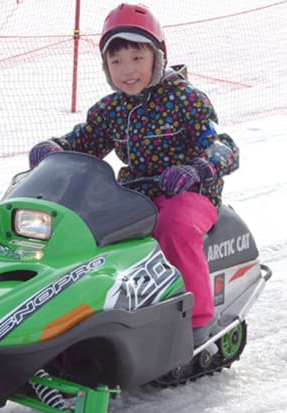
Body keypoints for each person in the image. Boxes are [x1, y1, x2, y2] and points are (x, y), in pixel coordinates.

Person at [28, 3, 239, 347]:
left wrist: (197, 169)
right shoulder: (110, 109)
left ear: (158, 56)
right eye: (116, 62)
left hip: (190, 193)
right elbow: (83, 143)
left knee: (174, 226)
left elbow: (223, 145)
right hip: (134, 197)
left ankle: (197, 321)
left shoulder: (187, 100)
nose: (127, 71)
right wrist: (54, 148)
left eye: (137, 59)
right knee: (84, 234)